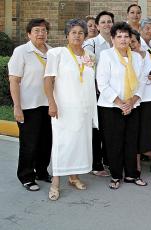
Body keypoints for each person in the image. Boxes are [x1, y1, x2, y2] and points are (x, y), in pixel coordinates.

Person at [43, 19, 98, 200]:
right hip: (63, 108)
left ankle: (74, 177)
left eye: (80, 32)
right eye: (73, 32)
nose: (77, 35)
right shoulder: (57, 53)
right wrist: (52, 103)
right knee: (62, 143)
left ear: (85, 35)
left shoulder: (89, 55)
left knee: (79, 143)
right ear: (67, 35)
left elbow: (90, 82)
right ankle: (56, 181)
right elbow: (48, 80)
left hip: (83, 108)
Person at [96, 22, 147, 189]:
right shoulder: (106, 55)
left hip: (133, 106)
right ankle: (116, 176)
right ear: (113, 39)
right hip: (111, 107)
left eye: (126, 36)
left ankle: (132, 174)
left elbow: (142, 81)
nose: (123, 39)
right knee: (114, 142)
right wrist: (120, 103)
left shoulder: (137, 57)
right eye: (119, 36)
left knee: (131, 141)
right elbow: (102, 83)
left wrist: (132, 102)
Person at [8, 18, 52, 192]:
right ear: (29, 34)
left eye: (44, 30)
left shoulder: (52, 52)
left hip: (48, 105)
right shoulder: (21, 51)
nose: (41, 34)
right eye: (36, 31)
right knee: (29, 143)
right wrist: (17, 106)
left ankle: (42, 171)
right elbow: (14, 80)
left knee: (46, 142)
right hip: (28, 106)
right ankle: (26, 176)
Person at [129, 30, 151, 177]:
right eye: (129, 42)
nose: (131, 45)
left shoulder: (150, 54)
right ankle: (137, 165)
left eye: (134, 42)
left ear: (139, 42)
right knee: (137, 131)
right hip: (137, 99)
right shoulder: (127, 58)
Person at [82, 10, 114, 177]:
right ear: (97, 25)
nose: (107, 24)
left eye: (109, 21)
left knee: (108, 129)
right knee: (96, 130)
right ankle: (96, 164)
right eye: (103, 22)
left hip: (111, 95)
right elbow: (86, 70)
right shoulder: (91, 44)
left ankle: (109, 160)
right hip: (96, 93)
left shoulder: (116, 43)